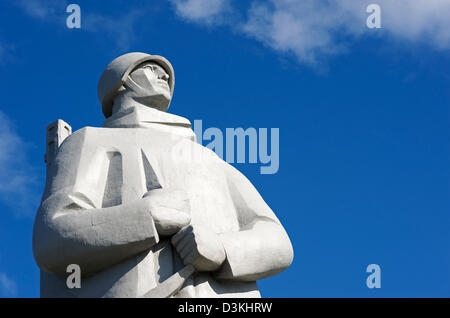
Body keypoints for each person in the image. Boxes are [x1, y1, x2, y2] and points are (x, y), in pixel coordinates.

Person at [33, 52, 293, 298]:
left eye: (165, 72)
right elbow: (51, 238)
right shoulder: (91, 140)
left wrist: (223, 249)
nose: (164, 76)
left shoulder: (210, 159)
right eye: (149, 68)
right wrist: (146, 217)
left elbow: (278, 242)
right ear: (120, 83)